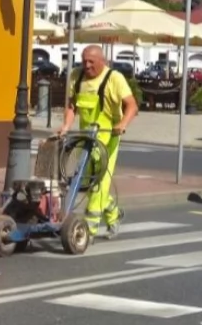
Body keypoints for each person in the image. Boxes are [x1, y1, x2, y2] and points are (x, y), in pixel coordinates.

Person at [55, 46, 139, 238]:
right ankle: (113, 213)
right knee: (84, 182)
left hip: (108, 139)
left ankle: (89, 230)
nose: (87, 65)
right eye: (84, 61)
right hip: (87, 138)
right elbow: (71, 105)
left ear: (103, 61)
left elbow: (132, 105)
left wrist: (123, 123)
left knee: (100, 183)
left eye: (91, 61)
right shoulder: (77, 76)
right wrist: (66, 126)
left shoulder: (114, 78)